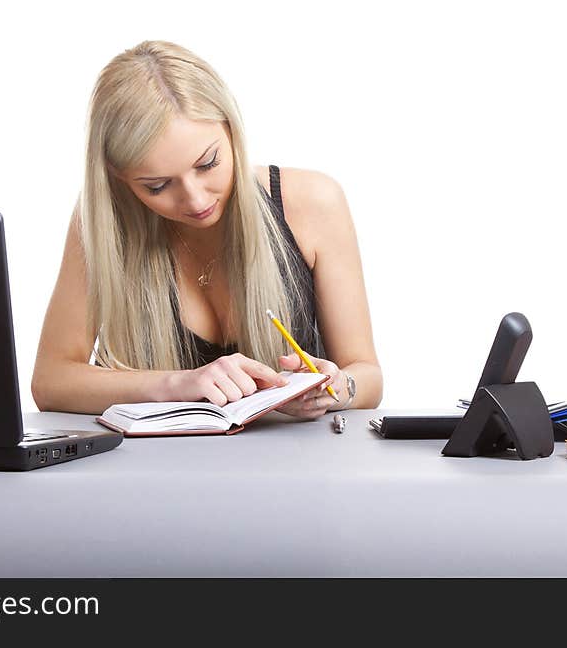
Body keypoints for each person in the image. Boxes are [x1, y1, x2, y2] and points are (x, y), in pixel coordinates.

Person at [32, 40, 382, 418]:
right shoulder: (102, 225)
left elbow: (367, 375)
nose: (196, 200)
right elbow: (51, 382)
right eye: (157, 186)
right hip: (153, 471)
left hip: (296, 469)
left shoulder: (314, 202)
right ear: (120, 181)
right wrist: (176, 384)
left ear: (231, 131)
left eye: (208, 163)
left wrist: (340, 387)